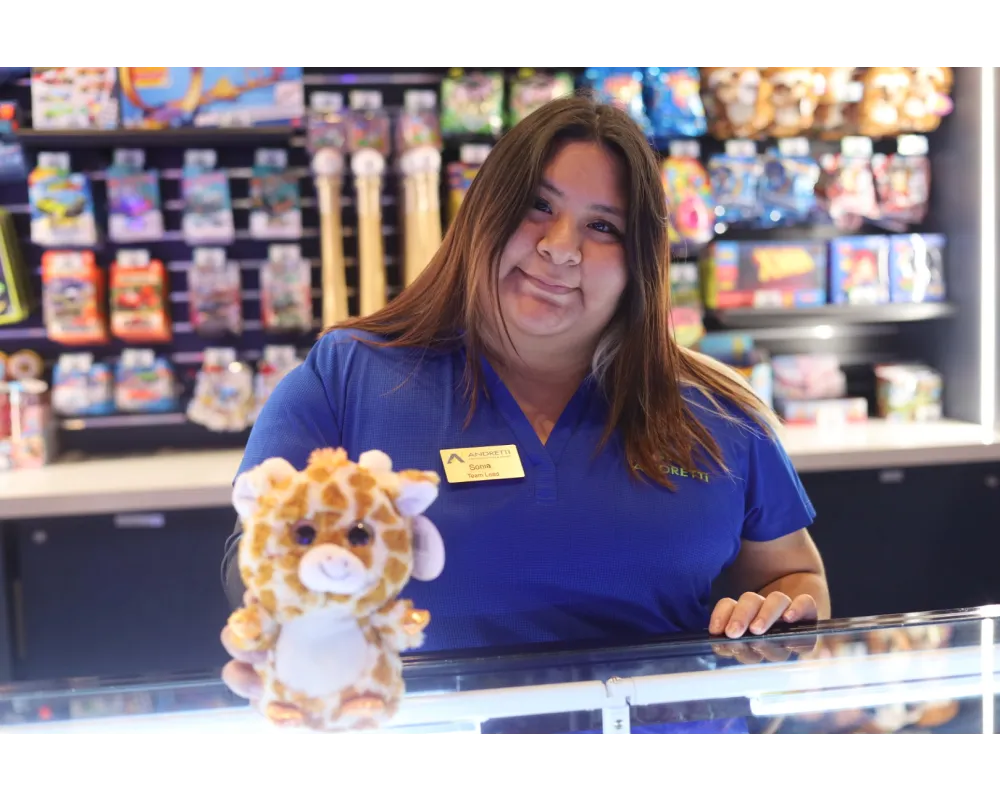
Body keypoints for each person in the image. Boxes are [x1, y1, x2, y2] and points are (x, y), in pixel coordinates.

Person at [220, 93, 829, 734]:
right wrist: (283, 633)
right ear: (485, 212)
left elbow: (796, 573)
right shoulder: (351, 374)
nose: (560, 248)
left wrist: (781, 617)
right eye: (539, 206)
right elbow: (256, 555)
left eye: (603, 227)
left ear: (639, 261)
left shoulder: (720, 415)